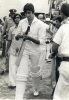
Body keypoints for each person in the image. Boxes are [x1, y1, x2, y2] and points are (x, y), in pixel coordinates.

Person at [15, 3, 47, 100]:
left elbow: (41, 41)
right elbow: (16, 36)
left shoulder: (40, 24)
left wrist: (29, 38)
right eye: (25, 13)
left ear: (33, 13)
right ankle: (19, 96)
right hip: (24, 49)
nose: (27, 15)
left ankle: (36, 88)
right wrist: (21, 35)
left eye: (29, 13)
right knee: (21, 72)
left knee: (35, 72)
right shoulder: (22, 22)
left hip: (36, 51)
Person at [51, 3, 69, 100]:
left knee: (59, 96)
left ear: (62, 14)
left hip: (66, 63)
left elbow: (54, 47)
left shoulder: (63, 27)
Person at [7, 13, 21, 89]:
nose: (17, 19)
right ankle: (12, 83)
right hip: (12, 49)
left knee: (19, 66)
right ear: (13, 19)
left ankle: (19, 82)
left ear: (20, 19)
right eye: (15, 18)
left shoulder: (23, 28)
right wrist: (7, 50)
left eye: (18, 17)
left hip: (21, 49)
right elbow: (9, 40)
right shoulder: (11, 29)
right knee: (12, 66)